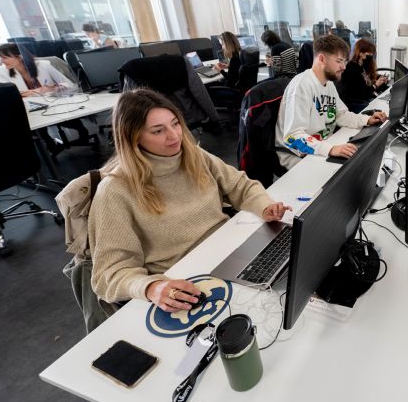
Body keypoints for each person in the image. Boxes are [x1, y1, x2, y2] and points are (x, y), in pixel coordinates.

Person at [88, 89, 289, 311]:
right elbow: (109, 274)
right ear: (132, 137)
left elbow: (240, 186)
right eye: (158, 131)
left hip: (230, 253)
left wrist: (264, 205)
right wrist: (151, 287)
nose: (174, 136)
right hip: (186, 280)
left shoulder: (193, 155)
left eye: (175, 123)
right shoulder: (115, 190)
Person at [275, 34, 387, 169]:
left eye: (345, 61)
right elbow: (292, 137)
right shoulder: (301, 86)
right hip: (298, 155)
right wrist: (330, 149)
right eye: (339, 61)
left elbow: (340, 114)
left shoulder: (328, 84)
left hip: (322, 147)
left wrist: (366, 120)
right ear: (322, 59)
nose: (344, 67)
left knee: (363, 163)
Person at [0, 43, 92, 152]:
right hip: (30, 107)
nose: (0, 61)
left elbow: (68, 84)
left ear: (20, 56)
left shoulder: (43, 65)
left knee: (66, 119)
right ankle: (49, 144)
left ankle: (82, 133)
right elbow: (7, 94)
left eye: (5, 57)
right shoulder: (1, 71)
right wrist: (36, 91)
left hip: (55, 102)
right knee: (33, 125)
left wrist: (52, 88)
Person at [335, 38, 388, 113]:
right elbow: (362, 93)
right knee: (381, 110)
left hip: (362, 99)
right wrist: (376, 85)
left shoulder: (362, 66)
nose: (371, 56)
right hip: (353, 104)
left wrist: (379, 78)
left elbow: (367, 79)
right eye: (369, 54)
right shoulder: (351, 68)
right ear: (360, 53)